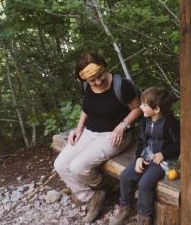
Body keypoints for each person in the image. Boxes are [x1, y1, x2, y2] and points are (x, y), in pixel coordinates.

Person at [54, 52, 142, 223]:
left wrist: (122, 125)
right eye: (92, 80)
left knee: (78, 166)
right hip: (89, 132)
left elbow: (138, 108)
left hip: (115, 135)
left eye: (100, 76)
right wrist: (78, 128)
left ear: (104, 68)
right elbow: (86, 107)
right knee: (61, 165)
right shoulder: (87, 86)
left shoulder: (121, 85)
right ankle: (93, 196)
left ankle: (107, 187)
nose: (97, 82)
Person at [109, 87, 180, 225]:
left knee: (145, 184)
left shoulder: (171, 124)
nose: (140, 107)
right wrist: (138, 157)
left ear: (157, 109)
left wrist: (164, 154)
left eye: (144, 105)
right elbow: (141, 140)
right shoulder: (145, 120)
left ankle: (143, 217)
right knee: (125, 176)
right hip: (145, 156)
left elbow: (179, 145)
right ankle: (126, 207)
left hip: (161, 161)